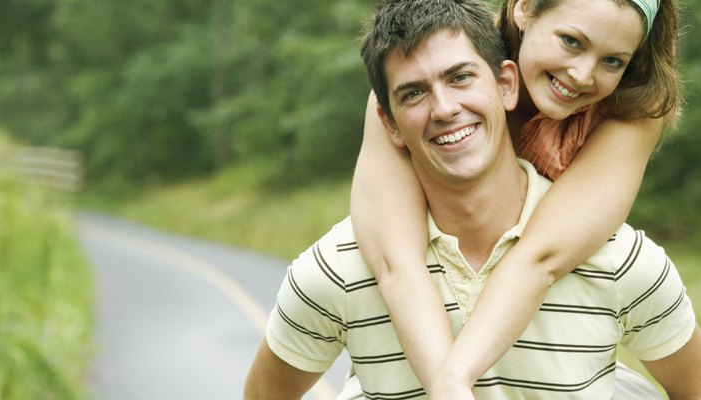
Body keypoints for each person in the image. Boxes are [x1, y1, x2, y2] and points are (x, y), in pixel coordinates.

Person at [243, 0, 701, 398]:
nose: (582, 74)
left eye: (613, 61)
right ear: (524, 9)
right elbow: (395, 264)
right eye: (571, 41)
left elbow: (541, 257)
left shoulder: (635, 112)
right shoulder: (430, 64)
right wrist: (446, 385)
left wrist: (453, 379)